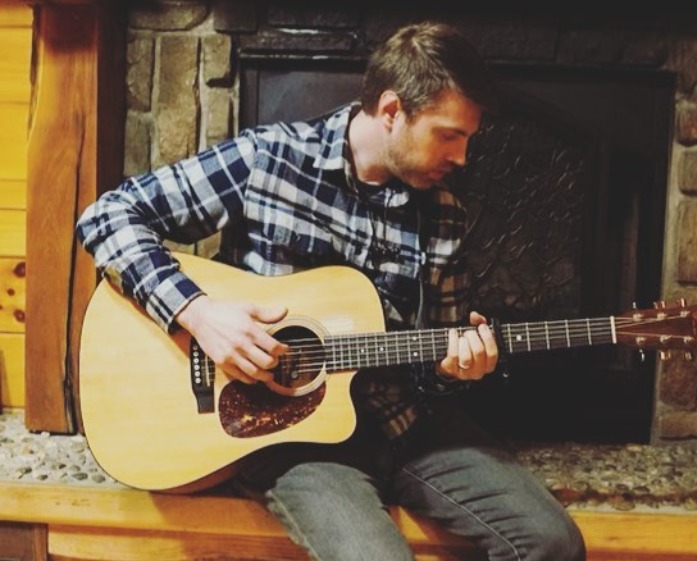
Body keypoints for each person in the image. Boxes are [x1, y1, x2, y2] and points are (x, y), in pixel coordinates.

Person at [76, 21, 586, 561]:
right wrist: (198, 313)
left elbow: (435, 361)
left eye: (467, 139)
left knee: (554, 541)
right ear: (392, 110)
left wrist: (455, 367)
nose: (461, 157)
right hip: (290, 439)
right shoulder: (269, 161)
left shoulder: (444, 216)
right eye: (448, 135)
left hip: (404, 424)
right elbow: (108, 215)